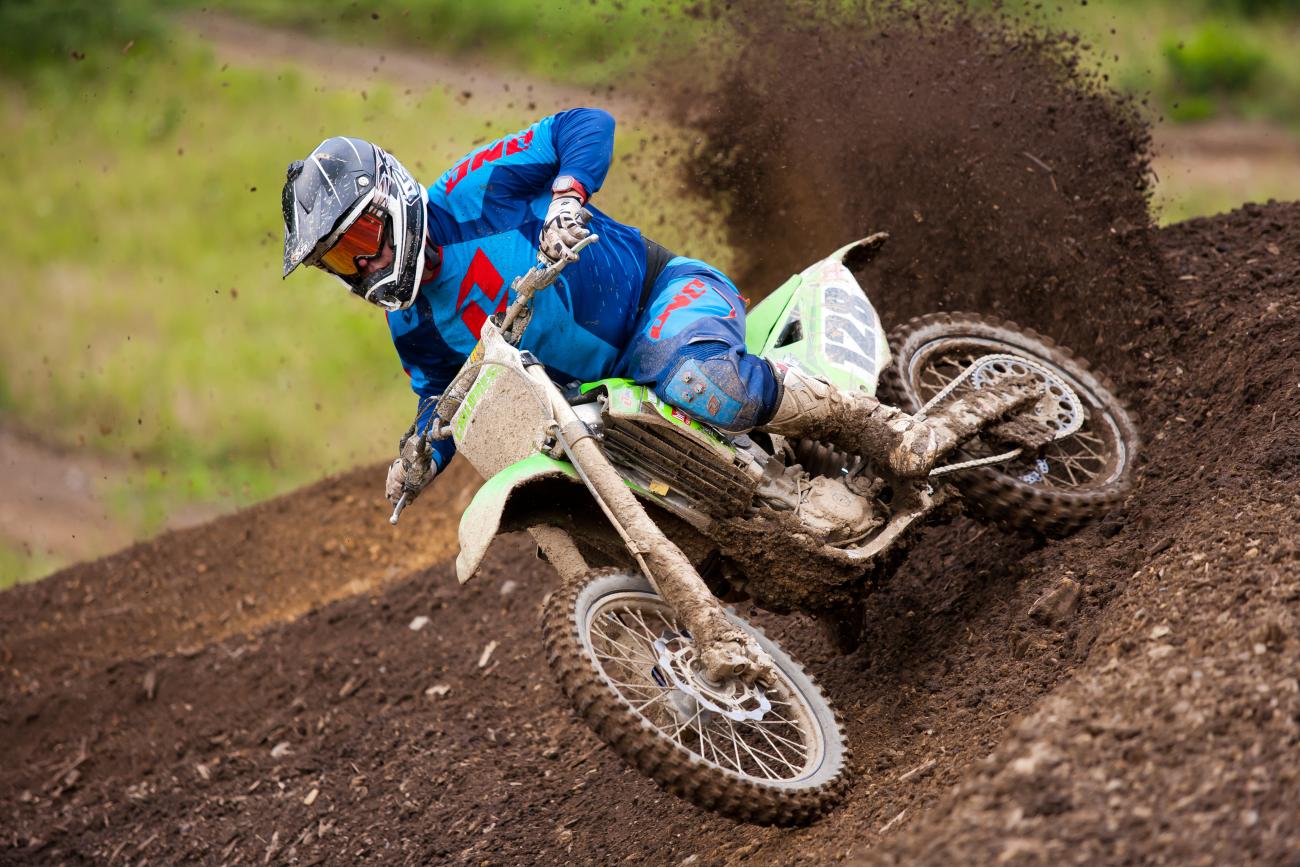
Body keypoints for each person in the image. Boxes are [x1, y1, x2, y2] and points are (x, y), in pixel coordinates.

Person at [280, 108, 1018, 505]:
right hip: (604, 395)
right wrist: (420, 455)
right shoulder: (409, 323)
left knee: (702, 383)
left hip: (664, 299)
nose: (364, 263)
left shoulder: (474, 191)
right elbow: (445, 398)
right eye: (339, 260)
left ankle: (888, 430)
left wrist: (568, 197)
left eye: (363, 237)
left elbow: (584, 124)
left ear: (393, 196)